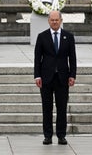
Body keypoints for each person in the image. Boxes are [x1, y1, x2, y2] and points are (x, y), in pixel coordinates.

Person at [34, 10, 76, 145]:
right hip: (46, 78)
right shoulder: (42, 36)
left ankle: (61, 135)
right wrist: (37, 76)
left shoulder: (68, 37)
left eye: (56, 20)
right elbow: (37, 58)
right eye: (52, 20)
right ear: (48, 21)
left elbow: (72, 58)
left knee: (62, 108)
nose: (54, 22)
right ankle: (47, 135)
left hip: (62, 78)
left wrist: (72, 75)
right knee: (47, 108)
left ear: (61, 20)